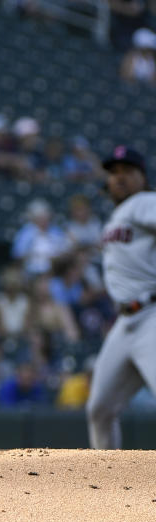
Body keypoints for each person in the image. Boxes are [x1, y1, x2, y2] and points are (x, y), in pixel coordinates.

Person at [86, 146, 156, 449]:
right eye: (114, 173)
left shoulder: (144, 202)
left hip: (151, 315)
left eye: (127, 171)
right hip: (126, 322)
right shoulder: (118, 215)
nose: (119, 178)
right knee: (99, 409)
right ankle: (107, 481)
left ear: (143, 177)